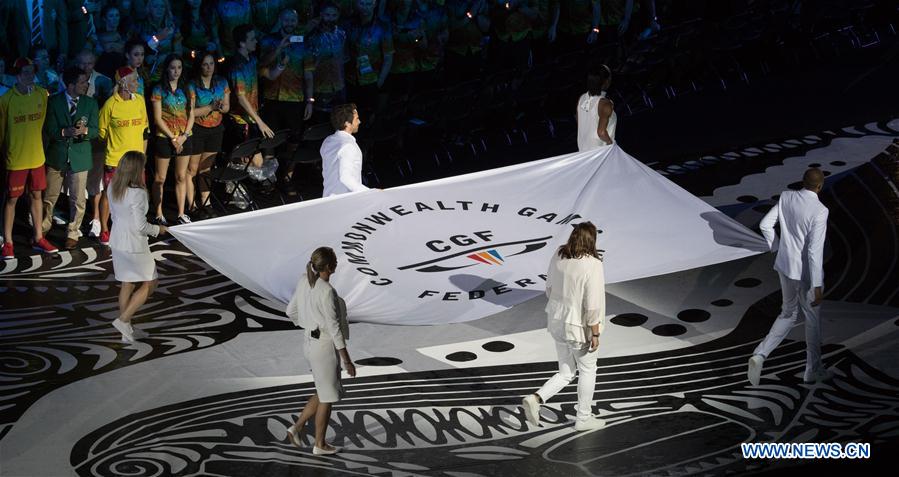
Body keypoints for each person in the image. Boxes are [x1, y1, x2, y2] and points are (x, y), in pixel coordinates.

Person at [521, 222, 606, 431]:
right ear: (592, 240)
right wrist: (595, 333)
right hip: (579, 326)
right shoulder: (593, 264)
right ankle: (583, 419)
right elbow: (593, 304)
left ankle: (536, 398)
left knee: (566, 372)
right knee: (588, 370)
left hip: (557, 321)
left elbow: (548, 287)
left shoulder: (560, 254)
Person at [748, 168, 830, 386]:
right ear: (820, 186)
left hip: (785, 267)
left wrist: (777, 247)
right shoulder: (820, 211)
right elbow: (814, 251)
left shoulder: (786, 197)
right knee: (811, 320)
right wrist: (817, 285)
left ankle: (760, 354)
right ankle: (812, 370)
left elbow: (765, 225)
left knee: (788, 313)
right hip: (805, 274)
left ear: (802, 182)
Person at [285, 246, 356, 455]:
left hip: (308, 344)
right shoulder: (326, 291)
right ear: (329, 266)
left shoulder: (303, 280)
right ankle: (320, 445)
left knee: (322, 390)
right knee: (327, 397)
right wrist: (347, 360)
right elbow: (334, 330)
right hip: (323, 349)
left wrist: (308, 324)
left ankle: (296, 428)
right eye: (334, 259)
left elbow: (290, 311)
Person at [0, 57, 58, 259]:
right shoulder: (6, 100)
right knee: (12, 200)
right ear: (16, 75)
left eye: (32, 71)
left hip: (37, 157)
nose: (30, 76)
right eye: (25, 72)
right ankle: (8, 242)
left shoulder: (42, 94)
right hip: (16, 158)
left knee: (37, 196)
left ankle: (38, 237)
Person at [108, 151, 168, 343]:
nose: (144, 170)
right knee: (151, 283)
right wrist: (159, 229)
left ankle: (126, 332)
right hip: (134, 245)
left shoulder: (113, 186)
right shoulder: (138, 193)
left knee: (127, 284)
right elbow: (140, 226)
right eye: (142, 167)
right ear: (136, 170)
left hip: (117, 242)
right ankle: (123, 320)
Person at [42, 66, 99, 250]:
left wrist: (86, 131)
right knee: (49, 196)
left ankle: (73, 232)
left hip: (80, 156)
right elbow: (48, 130)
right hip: (57, 155)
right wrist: (63, 132)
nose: (86, 85)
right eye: (82, 82)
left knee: (77, 198)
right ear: (70, 84)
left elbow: (96, 130)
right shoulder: (54, 102)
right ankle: (43, 228)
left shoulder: (90, 104)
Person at [97, 66, 149, 246]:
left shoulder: (140, 101)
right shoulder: (110, 105)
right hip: (115, 159)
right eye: (134, 80)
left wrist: (143, 155)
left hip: (135, 160)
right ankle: (104, 229)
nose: (137, 83)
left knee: (137, 196)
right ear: (123, 84)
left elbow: (144, 129)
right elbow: (102, 133)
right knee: (110, 195)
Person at [150, 54, 195, 225]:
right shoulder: (158, 89)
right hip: (165, 137)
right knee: (160, 178)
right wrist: (173, 138)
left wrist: (183, 137)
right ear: (167, 69)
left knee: (181, 177)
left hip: (184, 137)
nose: (176, 71)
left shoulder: (188, 88)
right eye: (173, 67)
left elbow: (191, 115)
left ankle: (181, 213)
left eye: (179, 67)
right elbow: (157, 118)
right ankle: (159, 213)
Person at [187, 52, 230, 212]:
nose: (209, 67)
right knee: (192, 169)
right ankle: (191, 203)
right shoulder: (192, 85)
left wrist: (220, 107)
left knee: (206, 169)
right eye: (205, 64)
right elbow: (190, 112)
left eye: (211, 63)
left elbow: (226, 107)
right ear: (199, 66)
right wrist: (210, 108)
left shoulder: (221, 82)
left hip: (215, 129)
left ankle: (206, 201)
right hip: (197, 129)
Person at [320, 103, 367, 197]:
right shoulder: (349, 146)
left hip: (327, 197)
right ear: (347, 123)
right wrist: (370, 193)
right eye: (356, 119)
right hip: (345, 201)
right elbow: (346, 178)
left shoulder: (328, 141)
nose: (359, 122)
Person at [576, 64, 616, 152]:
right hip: (601, 154)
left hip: (583, 152)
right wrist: (611, 145)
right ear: (606, 81)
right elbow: (601, 132)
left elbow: (581, 123)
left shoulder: (581, 98)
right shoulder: (605, 104)